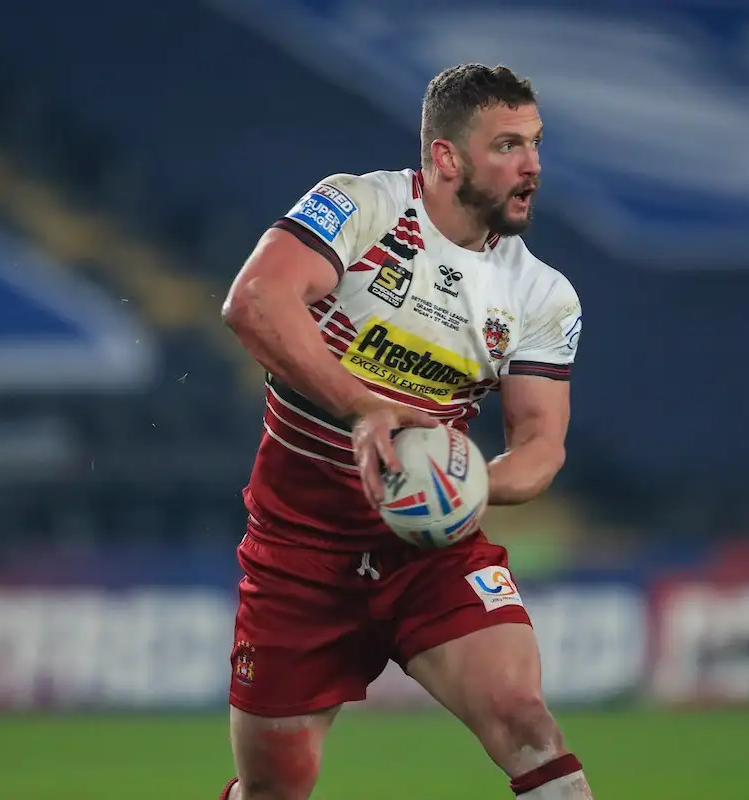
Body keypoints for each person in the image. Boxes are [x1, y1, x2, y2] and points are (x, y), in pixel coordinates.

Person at [218, 64, 591, 799]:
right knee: (275, 788)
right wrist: (365, 408)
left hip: (431, 551)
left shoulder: (543, 295)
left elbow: (542, 444)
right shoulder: (358, 207)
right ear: (447, 157)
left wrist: (468, 486)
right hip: (300, 551)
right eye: (508, 145)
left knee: (526, 722)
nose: (532, 166)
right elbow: (255, 300)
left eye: (537, 145)